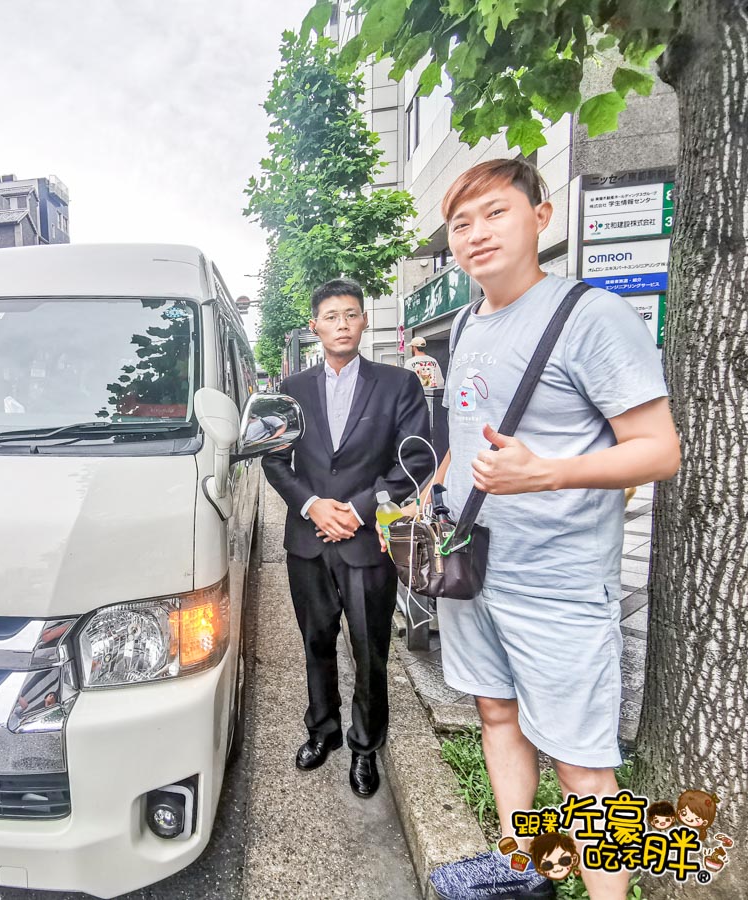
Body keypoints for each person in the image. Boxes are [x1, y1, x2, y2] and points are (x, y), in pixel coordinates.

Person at [398, 158, 680, 900]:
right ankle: (523, 868)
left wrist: (546, 473)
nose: (476, 234)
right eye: (462, 223)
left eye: (495, 213)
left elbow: (660, 450)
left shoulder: (591, 315)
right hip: (471, 567)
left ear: (541, 218)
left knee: (582, 760)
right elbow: (472, 436)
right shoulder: (463, 321)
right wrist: (428, 496)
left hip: (556, 584)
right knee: (495, 712)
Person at [262, 278, 433, 796]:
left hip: (365, 544)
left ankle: (365, 745)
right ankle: (323, 730)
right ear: (314, 327)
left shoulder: (398, 384)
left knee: (369, 648)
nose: (342, 324)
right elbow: (274, 459)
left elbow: (417, 458)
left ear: (364, 322)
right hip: (308, 540)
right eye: (331, 316)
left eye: (352, 314)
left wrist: (357, 511)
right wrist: (313, 504)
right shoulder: (289, 393)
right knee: (316, 642)